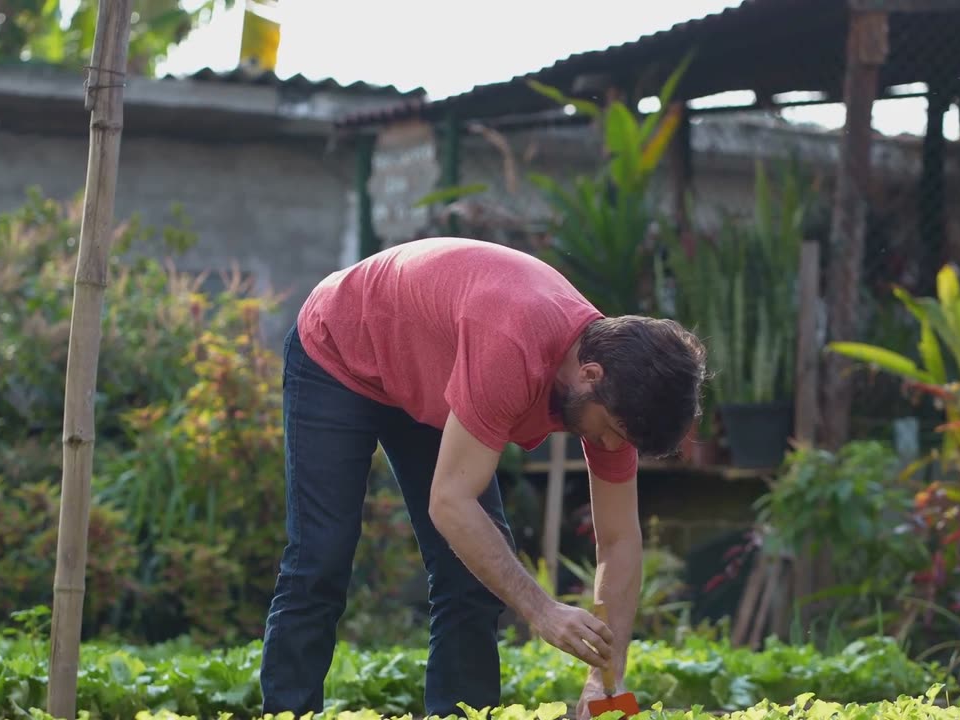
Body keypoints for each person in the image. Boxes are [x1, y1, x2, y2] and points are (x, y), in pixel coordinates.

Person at [259, 237, 708, 719]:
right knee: (320, 560)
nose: (615, 449)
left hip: (434, 370)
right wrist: (540, 609)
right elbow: (450, 503)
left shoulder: (620, 388)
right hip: (341, 345)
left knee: (470, 578)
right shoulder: (514, 344)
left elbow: (619, 543)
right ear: (590, 374)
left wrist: (604, 678)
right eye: (616, 432)